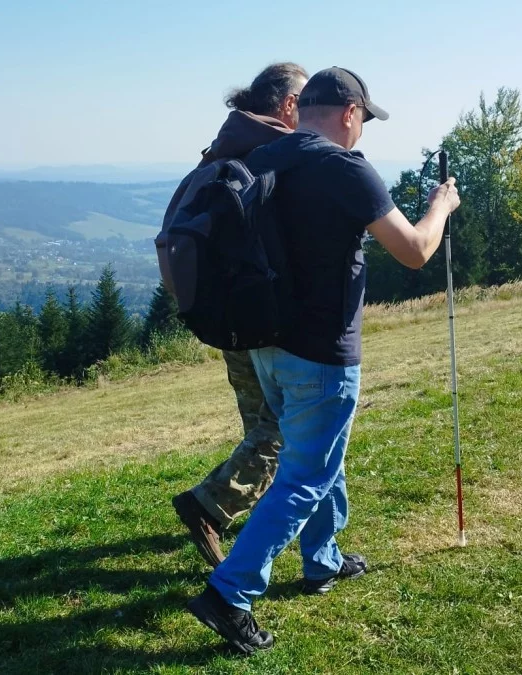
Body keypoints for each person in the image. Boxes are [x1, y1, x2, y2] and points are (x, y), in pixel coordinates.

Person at [186, 67, 462, 654]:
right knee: (306, 475)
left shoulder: (265, 155)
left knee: (320, 456)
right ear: (349, 113)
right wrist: (440, 206)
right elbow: (413, 251)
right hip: (321, 350)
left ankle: (323, 560)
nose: (362, 130)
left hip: (265, 342)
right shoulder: (344, 167)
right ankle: (229, 593)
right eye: (363, 119)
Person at [160, 62, 309, 568]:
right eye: (305, 102)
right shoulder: (275, 149)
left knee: (260, 424)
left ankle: (262, 515)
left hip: (227, 311)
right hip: (264, 314)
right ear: (288, 104)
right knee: (284, 427)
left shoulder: (225, 145)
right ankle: (210, 505)